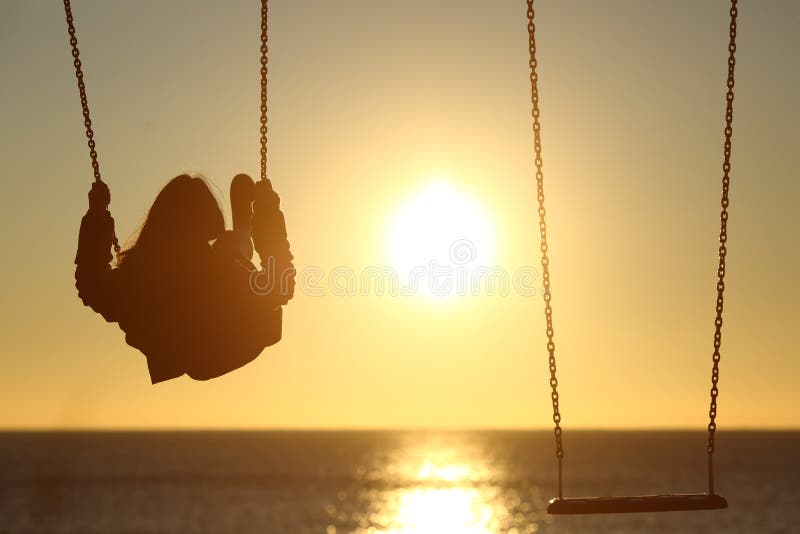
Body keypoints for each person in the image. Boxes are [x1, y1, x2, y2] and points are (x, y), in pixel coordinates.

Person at [75, 173, 295, 384]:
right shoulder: (217, 274)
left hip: (186, 358)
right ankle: (242, 235)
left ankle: (240, 238)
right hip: (236, 342)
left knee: (231, 254)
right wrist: (269, 219)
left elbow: (92, 285)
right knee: (234, 253)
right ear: (208, 226)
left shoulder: (138, 278)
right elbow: (278, 287)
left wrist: (97, 217)